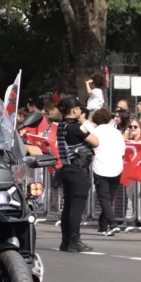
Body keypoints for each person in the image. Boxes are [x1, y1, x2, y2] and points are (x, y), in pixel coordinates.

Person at [56, 97, 100, 253]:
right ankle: (75, 241)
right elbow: (95, 142)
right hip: (78, 170)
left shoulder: (62, 126)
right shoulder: (76, 128)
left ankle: (66, 241)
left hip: (68, 169)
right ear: (74, 110)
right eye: (80, 108)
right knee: (76, 207)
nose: (82, 111)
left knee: (68, 206)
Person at [90, 108, 124, 236]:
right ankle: (103, 224)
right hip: (116, 167)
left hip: (101, 167)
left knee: (104, 198)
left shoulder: (94, 131)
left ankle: (112, 223)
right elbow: (122, 150)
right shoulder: (116, 132)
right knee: (109, 198)